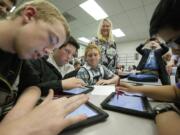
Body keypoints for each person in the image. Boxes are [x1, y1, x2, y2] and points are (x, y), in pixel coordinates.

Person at [0, 0, 88, 135]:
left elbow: (33, 87)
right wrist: (18, 128)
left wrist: (13, 120)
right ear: (29, 15)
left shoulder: (19, 53)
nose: (48, 51)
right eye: (51, 39)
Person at [117, 0, 180, 135]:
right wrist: (135, 89)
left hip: (153, 74)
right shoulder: (145, 52)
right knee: (132, 78)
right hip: (142, 73)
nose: (174, 51)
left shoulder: (159, 51)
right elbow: (176, 91)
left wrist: (162, 112)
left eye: (177, 41)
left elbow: (164, 48)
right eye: (170, 44)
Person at [19, 36, 86, 96]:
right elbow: (30, 89)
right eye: (67, 51)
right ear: (56, 47)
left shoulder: (70, 68)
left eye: (72, 55)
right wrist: (61, 84)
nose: (69, 57)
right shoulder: (41, 62)